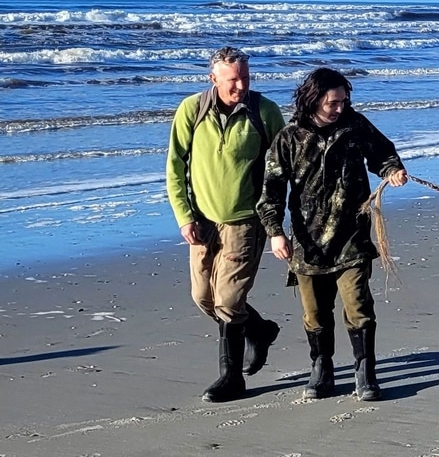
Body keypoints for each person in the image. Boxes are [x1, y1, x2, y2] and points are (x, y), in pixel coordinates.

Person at [258, 67, 408, 401]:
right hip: (307, 243)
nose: (340, 107)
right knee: (315, 313)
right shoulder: (289, 138)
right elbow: (270, 190)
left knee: (358, 306)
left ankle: (365, 373)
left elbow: (382, 153)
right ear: (313, 100)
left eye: (344, 100)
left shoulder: (355, 126)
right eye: (333, 102)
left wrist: (392, 169)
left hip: (352, 236)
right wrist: (275, 233)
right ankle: (321, 368)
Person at [165, 46, 287, 402]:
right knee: (203, 297)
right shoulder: (192, 109)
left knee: (229, 301)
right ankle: (260, 330)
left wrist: (277, 222)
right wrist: (184, 216)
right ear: (213, 78)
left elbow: (282, 168)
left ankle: (231, 378)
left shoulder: (264, 112)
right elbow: (175, 167)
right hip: (202, 222)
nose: (240, 85)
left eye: (245, 78)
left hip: (246, 221)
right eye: (232, 79)